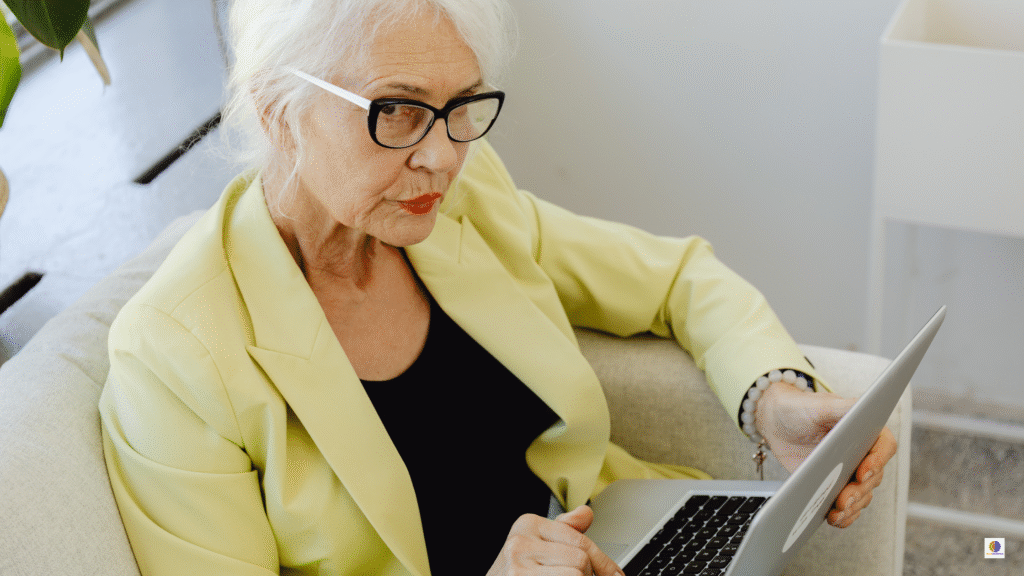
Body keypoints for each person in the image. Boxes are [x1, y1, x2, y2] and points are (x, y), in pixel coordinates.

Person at [99, 0, 897, 575]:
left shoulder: (461, 206)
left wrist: (775, 402)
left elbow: (677, 278)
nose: (444, 158)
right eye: (400, 112)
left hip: (626, 548)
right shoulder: (175, 354)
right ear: (278, 109)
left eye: (460, 107)